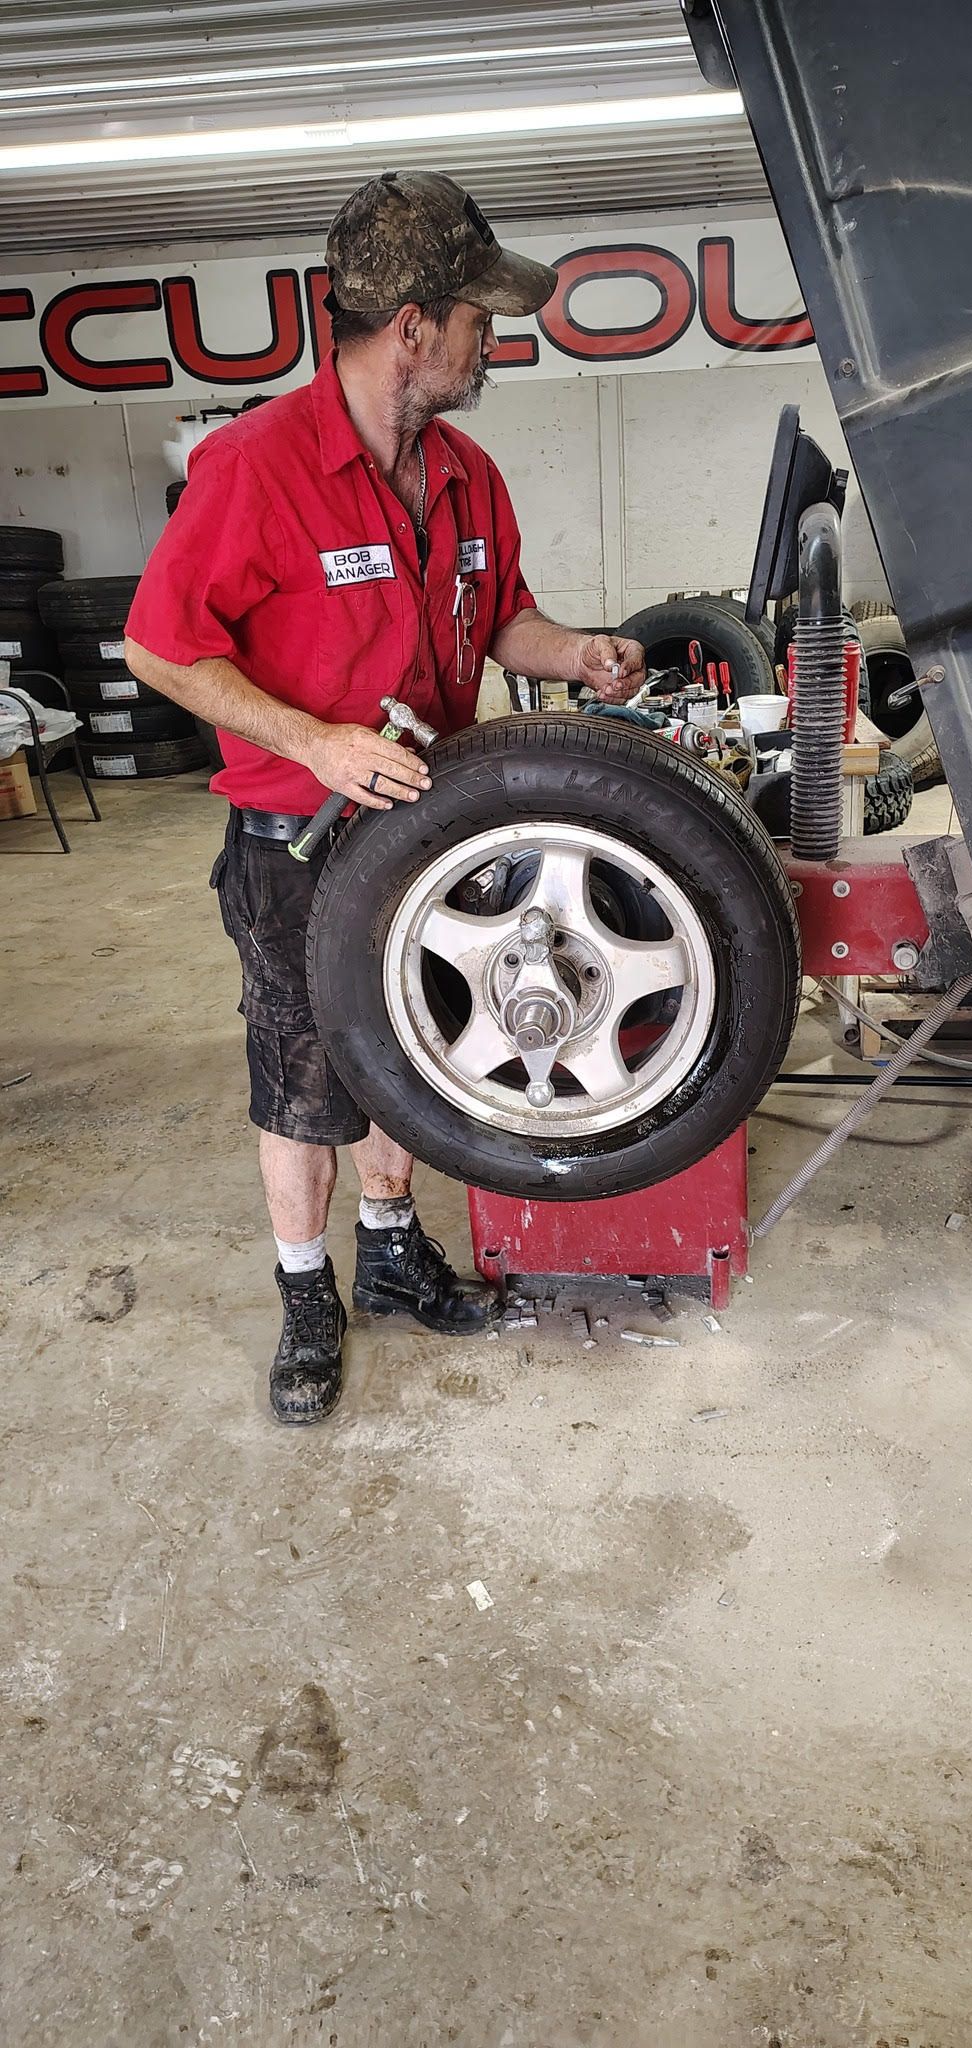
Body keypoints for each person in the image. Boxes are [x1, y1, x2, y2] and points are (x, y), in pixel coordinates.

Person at [124, 169, 646, 1427]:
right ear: (414, 325)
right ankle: (307, 1293)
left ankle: (393, 1248)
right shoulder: (256, 466)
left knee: (417, 1052)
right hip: (295, 838)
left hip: (428, 827)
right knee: (306, 1075)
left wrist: (573, 651)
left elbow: (498, 615)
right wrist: (311, 739)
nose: (491, 343)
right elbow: (157, 646)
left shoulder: (463, 471)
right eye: (478, 319)